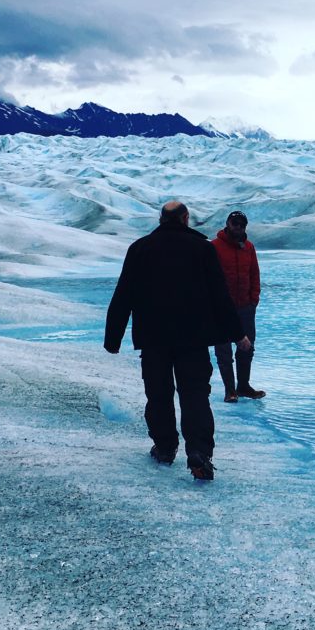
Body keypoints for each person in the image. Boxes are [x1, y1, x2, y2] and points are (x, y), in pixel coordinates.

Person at [104, 200, 250, 481]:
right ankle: (199, 452)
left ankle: (165, 447)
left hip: (153, 338)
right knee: (195, 395)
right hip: (193, 338)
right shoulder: (203, 249)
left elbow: (123, 295)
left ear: (161, 219)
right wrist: (237, 333)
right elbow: (221, 296)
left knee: (158, 395)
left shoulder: (140, 248)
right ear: (185, 219)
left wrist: (113, 338)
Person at [211, 209, 266, 403]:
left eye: (242, 224)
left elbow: (254, 274)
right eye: (235, 223)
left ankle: (243, 386)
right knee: (224, 350)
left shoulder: (248, 247)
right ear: (228, 224)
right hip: (221, 308)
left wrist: (253, 300)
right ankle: (230, 390)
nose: (238, 227)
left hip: (245, 307)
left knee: (247, 348)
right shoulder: (215, 246)